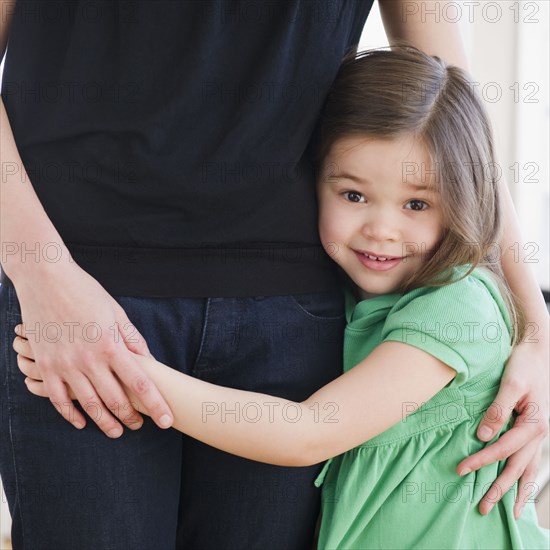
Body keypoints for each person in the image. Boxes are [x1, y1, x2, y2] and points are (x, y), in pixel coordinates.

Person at [1, 1, 548, 549]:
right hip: (79, 291)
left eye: (416, 204)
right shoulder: (378, 299)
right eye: (355, 194)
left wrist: (538, 333)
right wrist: (41, 273)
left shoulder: (447, 308)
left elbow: (457, 127)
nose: (382, 230)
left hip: (288, 316)